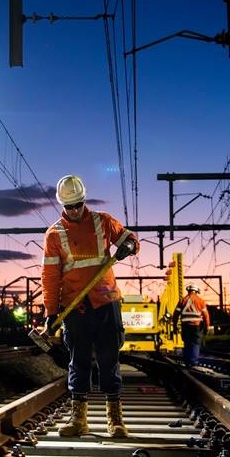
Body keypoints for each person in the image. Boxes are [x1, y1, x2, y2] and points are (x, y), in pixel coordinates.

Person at [41, 174, 140, 438]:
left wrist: (128, 245)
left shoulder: (103, 221)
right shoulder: (54, 235)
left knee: (109, 360)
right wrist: (51, 313)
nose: (75, 210)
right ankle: (78, 419)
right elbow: (50, 277)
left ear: (85, 199)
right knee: (79, 362)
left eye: (79, 204)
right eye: (69, 206)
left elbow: (130, 239)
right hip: (74, 307)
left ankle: (115, 420)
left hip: (105, 301)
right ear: (62, 205)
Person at [171, 284, 211, 367]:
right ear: (196, 291)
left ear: (188, 290)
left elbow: (176, 314)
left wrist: (174, 325)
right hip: (197, 326)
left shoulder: (182, 300)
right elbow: (206, 315)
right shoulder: (201, 301)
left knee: (187, 343)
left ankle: (187, 362)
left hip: (185, 326)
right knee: (195, 343)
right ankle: (193, 362)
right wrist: (207, 327)